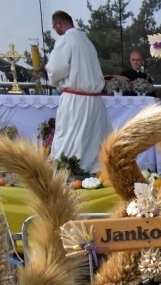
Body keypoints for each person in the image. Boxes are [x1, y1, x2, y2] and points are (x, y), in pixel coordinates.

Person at [46, 10, 112, 174]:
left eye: (55, 27)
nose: (56, 31)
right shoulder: (87, 42)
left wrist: (56, 81)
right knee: (92, 141)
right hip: (95, 101)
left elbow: (56, 69)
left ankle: (67, 173)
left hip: (75, 100)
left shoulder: (66, 40)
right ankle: (94, 175)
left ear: (59, 24)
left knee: (69, 140)